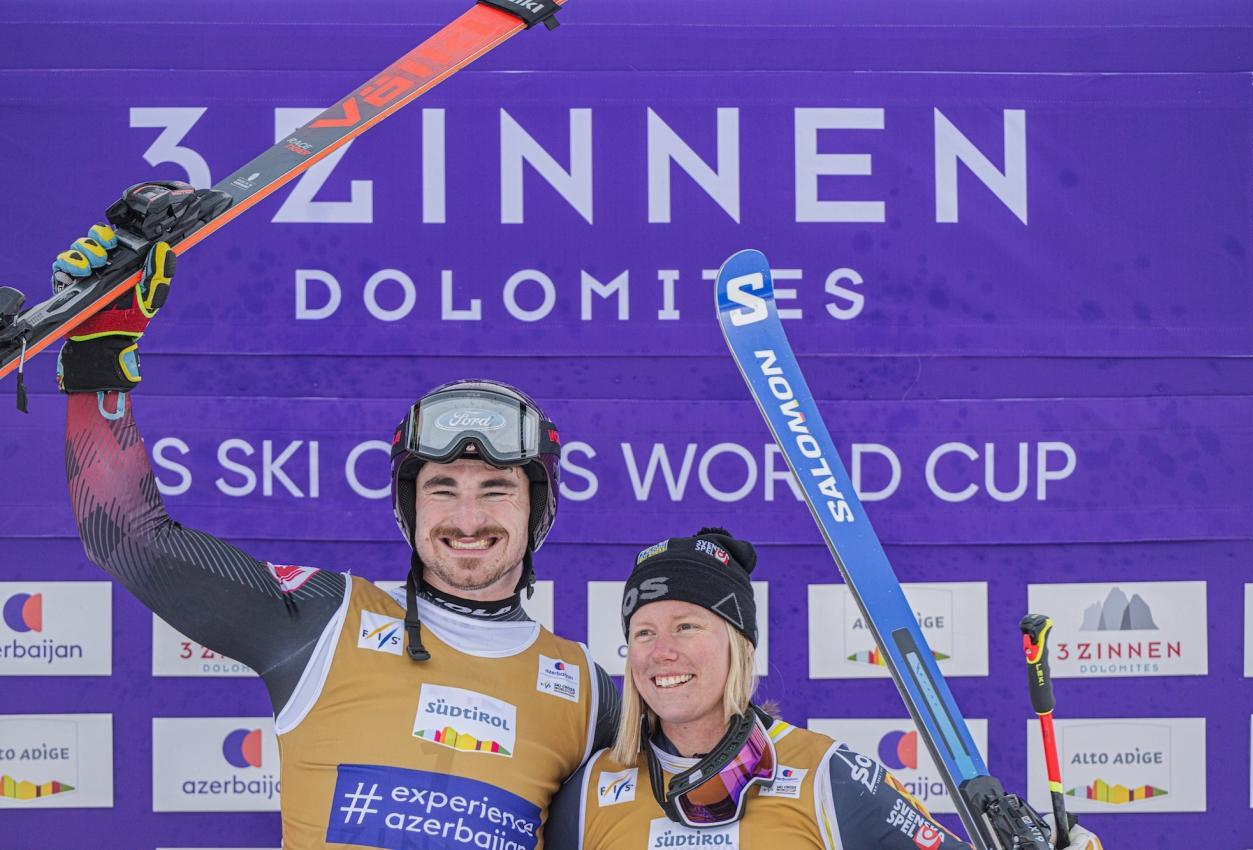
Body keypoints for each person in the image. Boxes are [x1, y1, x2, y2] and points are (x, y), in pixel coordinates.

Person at [53, 212, 619, 849]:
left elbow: (691, 789)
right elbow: (127, 538)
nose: (467, 519)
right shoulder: (325, 618)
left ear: (535, 509)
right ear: (409, 508)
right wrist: (100, 356)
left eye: (496, 490)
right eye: (442, 489)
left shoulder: (589, 692)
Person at [543, 528, 1102, 850]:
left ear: (739, 644)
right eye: (644, 632)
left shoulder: (827, 776)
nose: (662, 651)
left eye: (688, 626)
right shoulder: (591, 790)